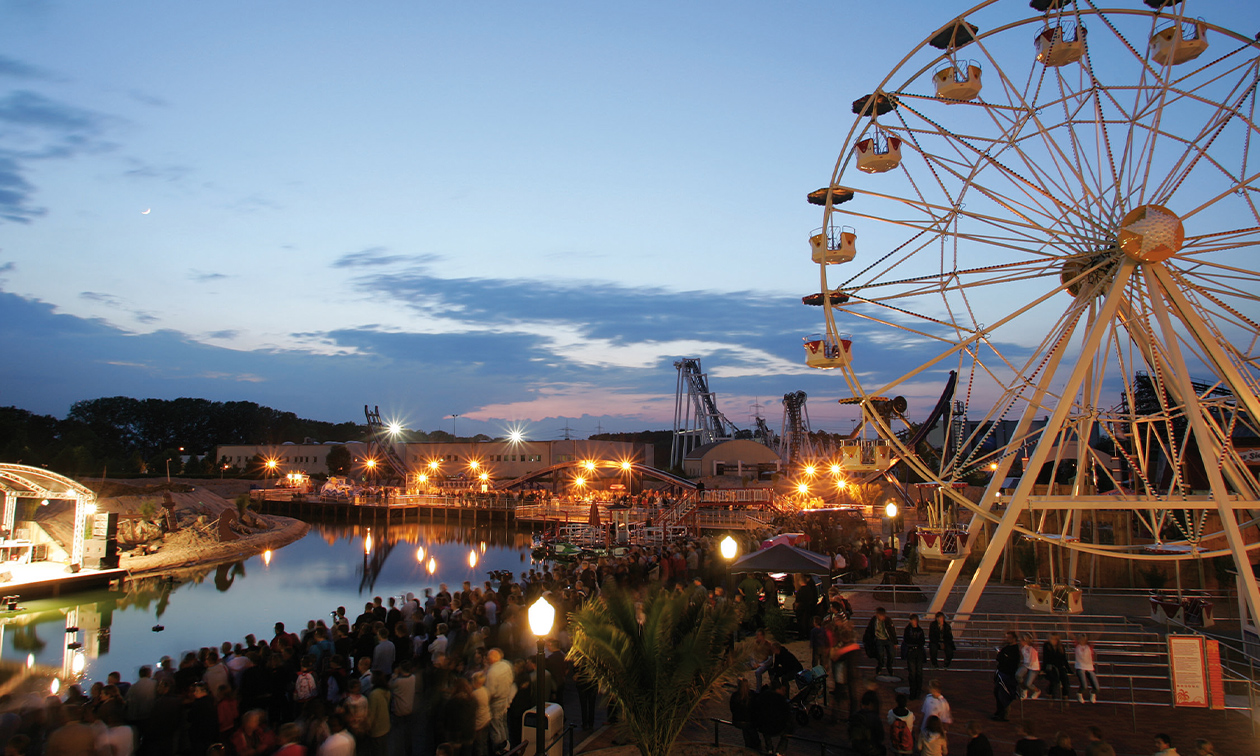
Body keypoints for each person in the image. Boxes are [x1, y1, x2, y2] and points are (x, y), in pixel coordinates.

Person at [993, 632, 1020, 721]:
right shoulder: (1007, 647)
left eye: (1009, 638)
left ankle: (1004, 715)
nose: (1007, 639)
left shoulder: (1015, 650)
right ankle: (999, 712)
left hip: (1008, 674)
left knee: (1004, 694)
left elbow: (1010, 662)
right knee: (998, 693)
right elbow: (999, 658)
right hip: (1002, 672)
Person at [864, 607, 897, 677]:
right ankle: (880, 666)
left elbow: (892, 631)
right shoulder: (874, 620)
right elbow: (869, 629)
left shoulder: (888, 620)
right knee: (880, 654)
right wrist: (866, 639)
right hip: (879, 639)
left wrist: (895, 642)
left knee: (891, 654)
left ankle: (889, 666)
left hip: (888, 639)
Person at [728, 678, 760, 750]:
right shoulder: (752, 695)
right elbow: (756, 709)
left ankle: (749, 747)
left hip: (737, 720)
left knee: (746, 733)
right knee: (753, 736)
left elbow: (732, 708)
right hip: (749, 721)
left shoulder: (735, 696)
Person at [901, 615, 927, 699]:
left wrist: (914, 642)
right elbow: (908, 640)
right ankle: (913, 691)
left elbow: (921, 641)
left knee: (918, 672)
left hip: (917, 652)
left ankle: (917, 691)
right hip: (912, 651)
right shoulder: (910, 630)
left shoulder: (919, 630)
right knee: (913, 672)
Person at [1041, 634, 1071, 701]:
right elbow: (1045, 658)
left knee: (1065, 680)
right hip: (1050, 666)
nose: (1053, 640)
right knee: (1055, 680)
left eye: (1055, 639)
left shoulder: (1061, 647)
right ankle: (1050, 693)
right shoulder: (1047, 646)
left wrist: (1068, 669)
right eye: (1052, 638)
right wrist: (1043, 669)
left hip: (1060, 666)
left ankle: (1065, 695)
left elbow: (1064, 659)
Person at [1073, 634, 1100, 704]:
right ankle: (1079, 693)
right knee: (1084, 686)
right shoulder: (1077, 646)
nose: (1082, 640)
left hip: (1089, 667)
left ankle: (1093, 693)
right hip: (1080, 667)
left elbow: (1096, 637)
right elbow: (1071, 636)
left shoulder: (1089, 647)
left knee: (1097, 688)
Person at [1017, 634, 1042, 699]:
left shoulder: (1032, 648)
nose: (1020, 642)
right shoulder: (1023, 648)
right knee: (1018, 675)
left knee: (1028, 684)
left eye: (1021, 641)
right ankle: (1024, 689)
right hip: (1026, 665)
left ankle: (1037, 691)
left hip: (1034, 667)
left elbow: (1032, 660)